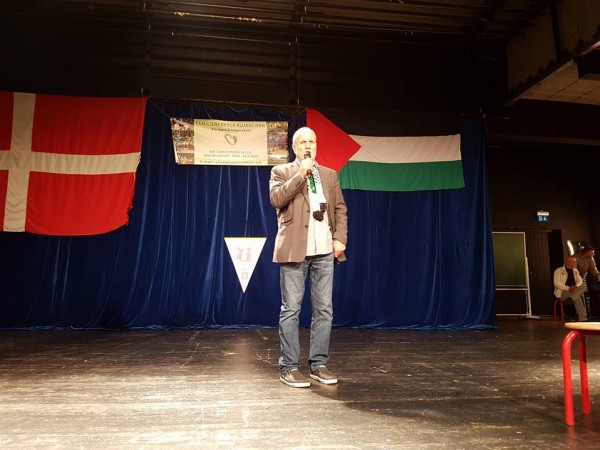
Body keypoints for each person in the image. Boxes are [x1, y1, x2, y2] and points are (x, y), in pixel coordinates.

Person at [269, 126, 348, 388]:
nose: (307, 146)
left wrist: (340, 238)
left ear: (316, 145)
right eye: (302, 142)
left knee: (324, 309)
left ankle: (319, 364)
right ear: (294, 147)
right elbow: (277, 199)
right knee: (291, 309)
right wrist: (301, 174)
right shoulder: (281, 172)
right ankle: (289, 367)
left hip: (323, 250)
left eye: (311, 141)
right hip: (295, 250)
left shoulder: (329, 174)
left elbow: (339, 208)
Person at [553, 256, 588, 322]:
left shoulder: (575, 271)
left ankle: (571, 299)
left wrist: (576, 286)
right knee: (577, 297)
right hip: (563, 291)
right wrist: (568, 288)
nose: (576, 263)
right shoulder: (559, 270)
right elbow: (556, 283)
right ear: (569, 262)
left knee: (584, 285)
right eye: (575, 262)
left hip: (573, 291)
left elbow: (580, 281)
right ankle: (583, 318)